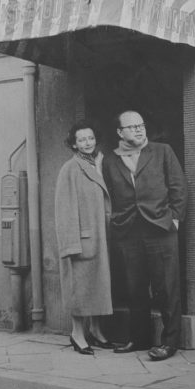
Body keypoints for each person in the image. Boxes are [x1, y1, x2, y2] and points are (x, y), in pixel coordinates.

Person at [102, 110, 188, 361]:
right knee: (134, 288)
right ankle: (139, 339)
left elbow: (178, 187)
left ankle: (170, 343)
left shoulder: (162, 151)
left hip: (160, 228)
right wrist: (116, 222)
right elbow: (108, 194)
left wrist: (174, 219)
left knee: (166, 289)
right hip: (128, 231)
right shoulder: (111, 160)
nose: (139, 130)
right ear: (120, 132)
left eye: (141, 125)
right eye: (132, 127)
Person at [54, 121, 114, 355]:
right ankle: (77, 334)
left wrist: (99, 169)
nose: (87, 143)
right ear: (73, 143)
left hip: (100, 238)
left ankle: (96, 331)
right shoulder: (70, 168)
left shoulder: (95, 164)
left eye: (90, 138)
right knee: (80, 290)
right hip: (82, 239)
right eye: (81, 140)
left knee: (98, 287)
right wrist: (70, 244)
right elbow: (64, 209)